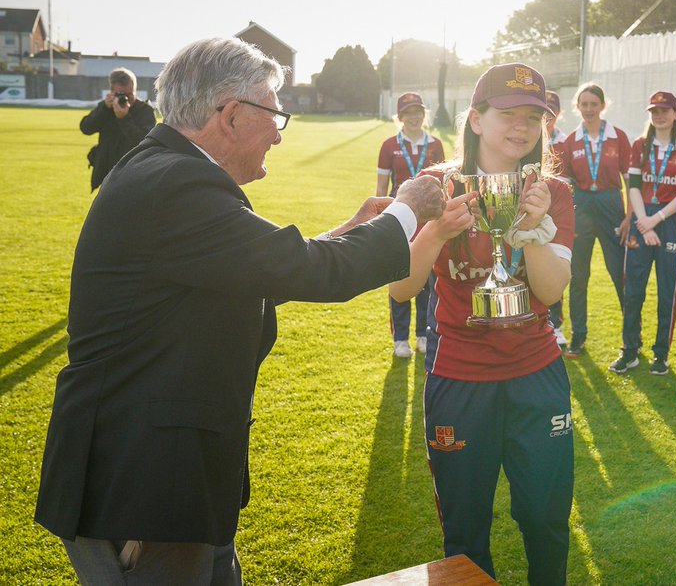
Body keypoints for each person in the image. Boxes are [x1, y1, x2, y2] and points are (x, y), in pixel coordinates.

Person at [35, 37, 445, 584]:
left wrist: (353, 229)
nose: (279, 131)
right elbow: (305, 270)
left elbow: (251, 270)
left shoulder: (164, 170)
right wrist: (406, 210)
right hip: (141, 485)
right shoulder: (175, 184)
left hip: (170, 475)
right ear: (230, 116)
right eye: (277, 112)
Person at [389, 63, 574, 583]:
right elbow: (401, 288)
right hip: (460, 378)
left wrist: (534, 230)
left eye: (533, 117)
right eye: (508, 114)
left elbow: (550, 291)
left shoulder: (552, 190)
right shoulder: (432, 187)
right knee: (466, 533)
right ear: (475, 119)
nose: (521, 127)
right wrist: (434, 233)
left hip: (536, 373)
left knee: (545, 518)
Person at [609, 91, 676, 375]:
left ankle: (661, 354)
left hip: (669, 219)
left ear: (675, 113)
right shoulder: (640, 144)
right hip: (642, 215)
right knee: (633, 288)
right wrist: (643, 220)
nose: (659, 115)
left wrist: (656, 219)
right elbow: (633, 186)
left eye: (664, 110)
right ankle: (630, 350)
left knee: (666, 290)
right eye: (654, 111)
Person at [558, 83, 630, 357]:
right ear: (578, 107)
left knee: (619, 273)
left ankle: (630, 337)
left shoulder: (618, 137)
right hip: (583, 205)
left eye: (593, 104)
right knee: (579, 276)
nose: (589, 109)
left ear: (602, 105)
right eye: (584, 104)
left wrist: (629, 218)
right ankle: (579, 336)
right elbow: (565, 184)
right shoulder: (571, 141)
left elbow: (629, 180)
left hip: (612, 205)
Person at [377, 92, 447, 358]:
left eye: (418, 111)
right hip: (399, 219)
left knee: (428, 281)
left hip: (428, 219)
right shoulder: (388, 146)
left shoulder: (435, 144)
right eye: (408, 113)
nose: (414, 117)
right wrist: (381, 220)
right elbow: (383, 187)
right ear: (400, 117)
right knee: (400, 276)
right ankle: (400, 339)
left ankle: (422, 334)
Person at [79, 67, 157, 191]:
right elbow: (86, 128)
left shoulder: (144, 111)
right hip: (107, 173)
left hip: (133, 173)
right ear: (111, 92)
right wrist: (104, 108)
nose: (124, 99)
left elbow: (144, 142)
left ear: (134, 90)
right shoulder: (107, 109)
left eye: (129, 95)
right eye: (120, 94)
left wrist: (124, 118)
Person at [544, 90, 570, 347]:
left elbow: (573, 179)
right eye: (544, 109)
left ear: (559, 112)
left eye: (552, 110)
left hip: (558, 214)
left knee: (557, 264)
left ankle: (557, 324)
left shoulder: (567, 142)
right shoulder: (526, 137)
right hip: (530, 211)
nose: (547, 114)